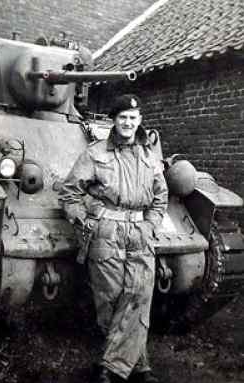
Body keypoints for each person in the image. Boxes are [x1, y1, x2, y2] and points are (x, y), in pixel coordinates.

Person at [58, 94, 168, 383]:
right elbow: (70, 192)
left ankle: (109, 367)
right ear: (114, 121)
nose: (128, 122)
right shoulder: (95, 153)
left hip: (140, 232)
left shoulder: (149, 156)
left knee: (140, 295)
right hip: (106, 233)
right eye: (122, 117)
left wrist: (151, 226)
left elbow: (161, 197)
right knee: (111, 300)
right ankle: (140, 366)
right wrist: (82, 218)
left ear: (139, 120)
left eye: (133, 118)